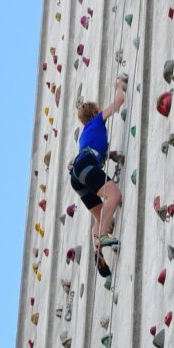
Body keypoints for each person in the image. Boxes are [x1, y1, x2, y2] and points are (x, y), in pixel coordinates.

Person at [68, 75, 126, 277]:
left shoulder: (86, 133)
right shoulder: (97, 120)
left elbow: (92, 152)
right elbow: (119, 102)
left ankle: (98, 251)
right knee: (115, 196)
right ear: (95, 112)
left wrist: (109, 155)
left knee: (101, 216)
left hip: (77, 174)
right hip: (85, 165)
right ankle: (101, 236)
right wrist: (119, 86)